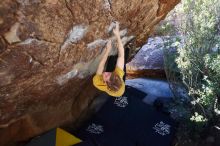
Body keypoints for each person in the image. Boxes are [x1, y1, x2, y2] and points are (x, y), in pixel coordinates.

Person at [93, 22, 125, 97]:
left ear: (105, 83)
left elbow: (101, 65)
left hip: (117, 93)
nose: (105, 73)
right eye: (109, 73)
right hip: (119, 86)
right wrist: (117, 35)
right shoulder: (118, 75)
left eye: (106, 76)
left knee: (107, 66)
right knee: (120, 59)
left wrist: (107, 50)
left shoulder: (97, 82)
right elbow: (121, 55)